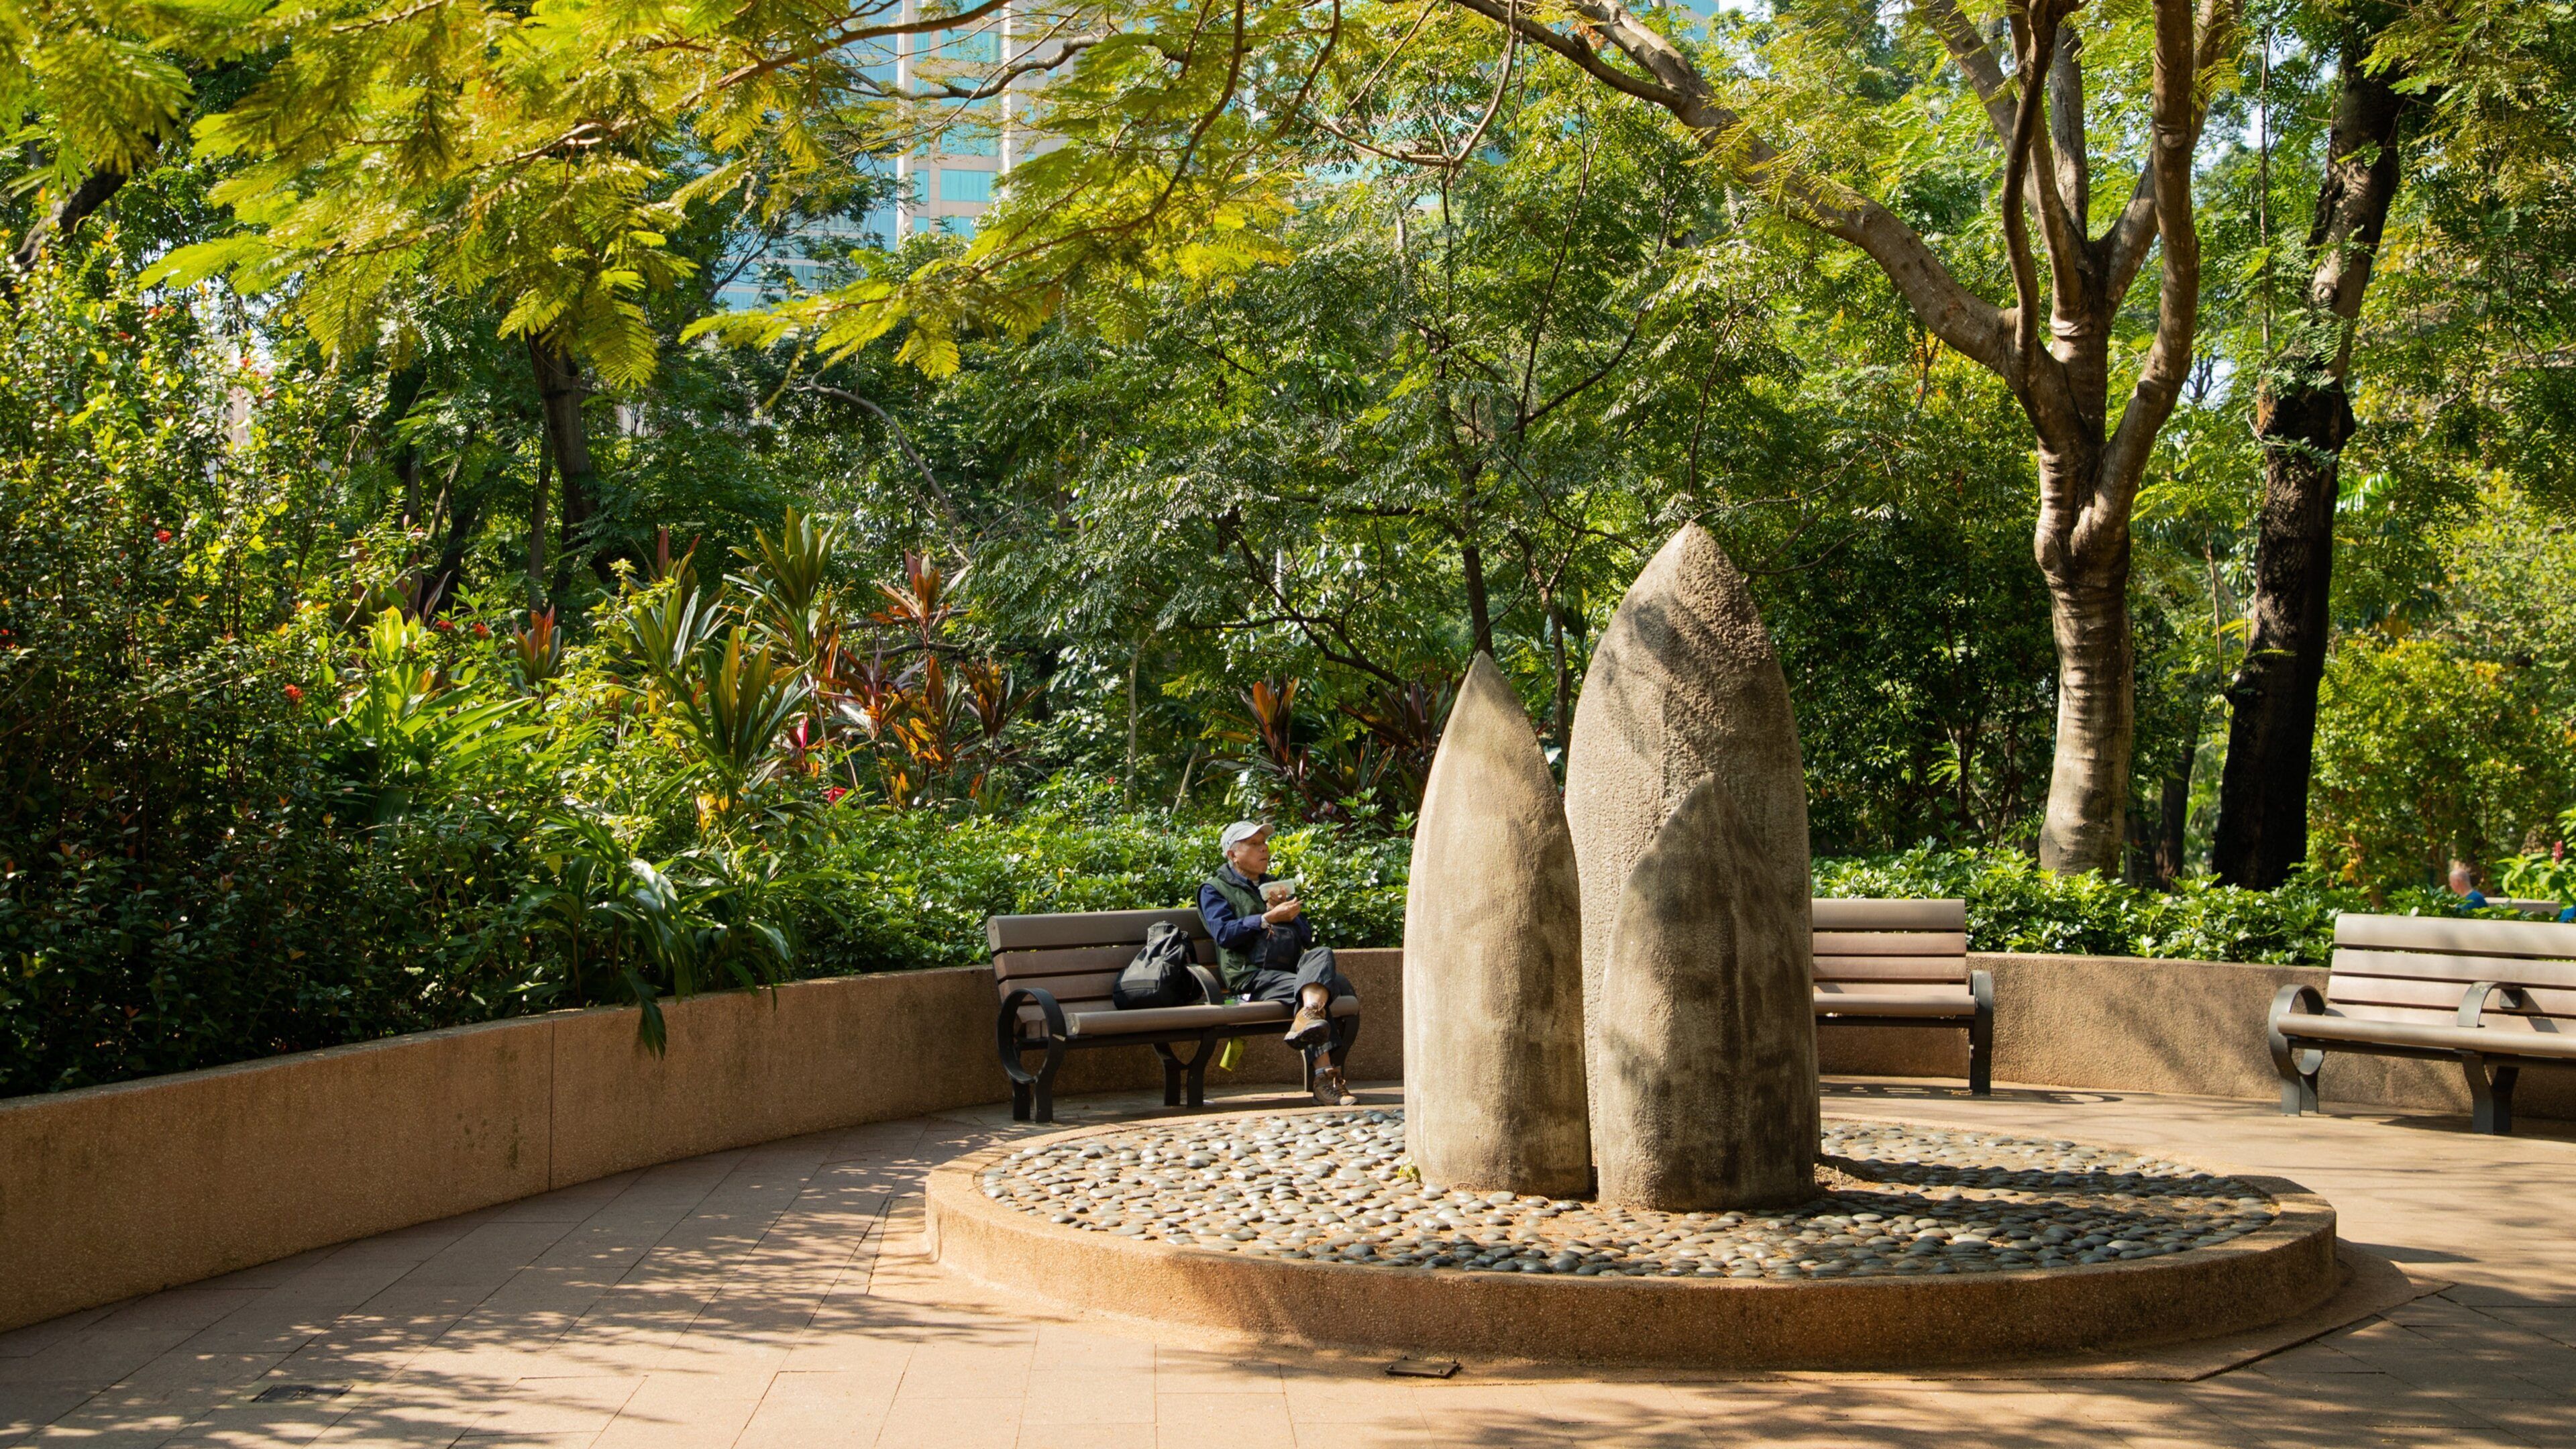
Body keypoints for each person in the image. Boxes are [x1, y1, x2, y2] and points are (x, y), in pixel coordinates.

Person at [1199, 820, 1360, 1107]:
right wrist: (1266, 919)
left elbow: (1306, 937)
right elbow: (1223, 934)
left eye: (1264, 842)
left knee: (1321, 954)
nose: (1264, 848)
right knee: (1321, 987)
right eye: (1253, 844)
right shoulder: (1214, 889)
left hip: (1290, 971)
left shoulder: (1274, 885)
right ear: (1233, 854)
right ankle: (1326, 1079)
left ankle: (1308, 1013)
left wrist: (1289, 915)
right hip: (1250, 977)